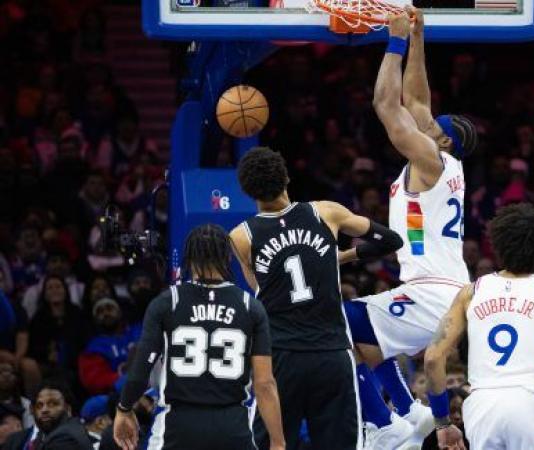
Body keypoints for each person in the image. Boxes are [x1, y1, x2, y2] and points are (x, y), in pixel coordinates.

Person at [345, 8, 479, 448]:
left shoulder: (432, 162)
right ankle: (406, 412)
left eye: (433, 127)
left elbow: (388, 105)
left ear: (441, 141)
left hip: (433, 292)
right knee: (358, 349)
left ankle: (387, 423)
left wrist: (396, 42)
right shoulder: (440, 161)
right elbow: (417, 103)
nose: (425, 118)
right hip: (440, 289)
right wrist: (420, 38)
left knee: (329, 325)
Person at [230, 147, 403, 450]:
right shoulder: (325, 211)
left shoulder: (241, 236)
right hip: (332, 354)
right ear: (286, 178)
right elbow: (390, 240)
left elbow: (262, 287)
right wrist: (341, 257)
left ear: (247, 191)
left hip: (282, 359)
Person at [424, 203, 534, 450]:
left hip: (481, 405)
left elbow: (433, 358)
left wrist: (442, 422)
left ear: (499, 245)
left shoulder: (470, 292)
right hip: (531, 402)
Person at [113, 224, 285, 450]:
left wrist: (123, 409)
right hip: (232, 428)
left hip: (177, 427)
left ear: (188, 258)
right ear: (227, 257)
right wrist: (278, 442)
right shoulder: (250, 307)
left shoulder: (167, 302)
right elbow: (264, 384)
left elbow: (140, 371)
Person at [4, 380, 93, 450]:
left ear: (68, 409)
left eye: (53, 404)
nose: (44, 410)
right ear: (32, 410)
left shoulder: (64, 439)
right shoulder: (55, 433)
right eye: (39, 405)